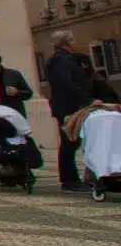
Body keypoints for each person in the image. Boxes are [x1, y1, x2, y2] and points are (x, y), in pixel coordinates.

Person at [45, 31, 94, 190]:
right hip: (67, 107)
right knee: (69, 142)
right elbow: (66, 83)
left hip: (68, 106)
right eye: (72, 40)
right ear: (66, 43)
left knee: (71, 142)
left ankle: (71, 178)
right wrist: (86, 99)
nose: (75, 42)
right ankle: (69, 180)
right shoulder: (60, 60)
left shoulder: (64, 59)